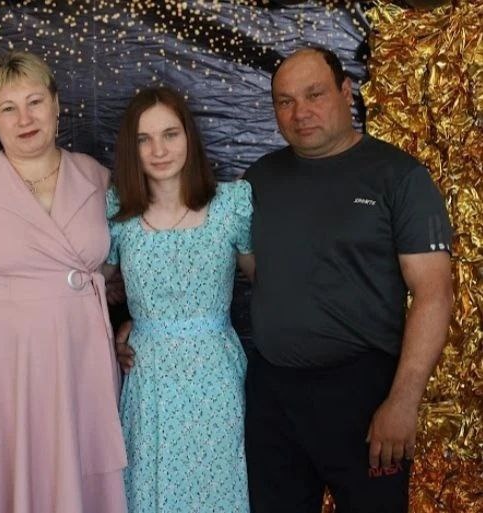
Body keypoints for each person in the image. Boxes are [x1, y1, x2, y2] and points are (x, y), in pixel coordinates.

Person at [244, 47, 453, 512]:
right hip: (273, 395)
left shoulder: (399, 176)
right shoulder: (259, 178)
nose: (300, 112)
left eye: (314, 94)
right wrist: (147, 317)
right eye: (285, 101)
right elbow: (232, 266)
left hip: (363, 394)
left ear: (345, 90)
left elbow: (434, 293)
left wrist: (403, 401)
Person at [0, 51, 127, 513]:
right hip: (7, 361)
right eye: (8, 108)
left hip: (82, 352)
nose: (24, 119)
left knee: (79, 469)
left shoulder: (97, 176)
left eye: (35, 102)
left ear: (57, 104)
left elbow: (123, 266)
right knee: (10, 471)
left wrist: (125, 315)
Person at [104, 86, 254, 513]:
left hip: (215, 374)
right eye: (144, 139)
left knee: (216, 488)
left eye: (170, 134)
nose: (159, 150)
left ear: (189, 135)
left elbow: (270, 281)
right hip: (148, 374)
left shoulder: (230, 205)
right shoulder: (118, 211)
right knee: (150, 490)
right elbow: (86, 285)